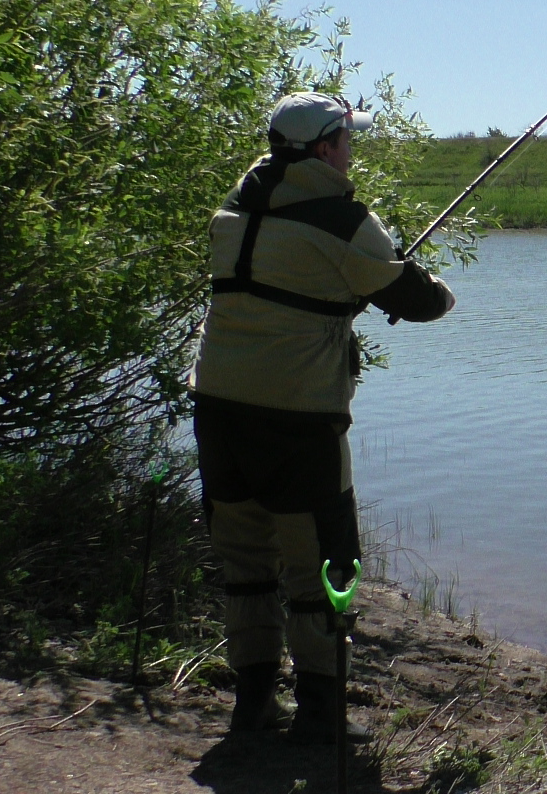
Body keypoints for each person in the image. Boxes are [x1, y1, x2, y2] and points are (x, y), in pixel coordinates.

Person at [188, 92, 456, 741]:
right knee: (326, 565)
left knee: (246, 557)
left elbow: (287, 293)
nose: (351, 150)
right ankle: (320, 709)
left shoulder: (234, 212)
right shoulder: (344, 221)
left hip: (218, 406)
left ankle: (252, 702)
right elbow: (416, 300)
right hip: (299, 418)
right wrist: (439, 292)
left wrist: (338, 302)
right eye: (346, 140)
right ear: (322, 149)